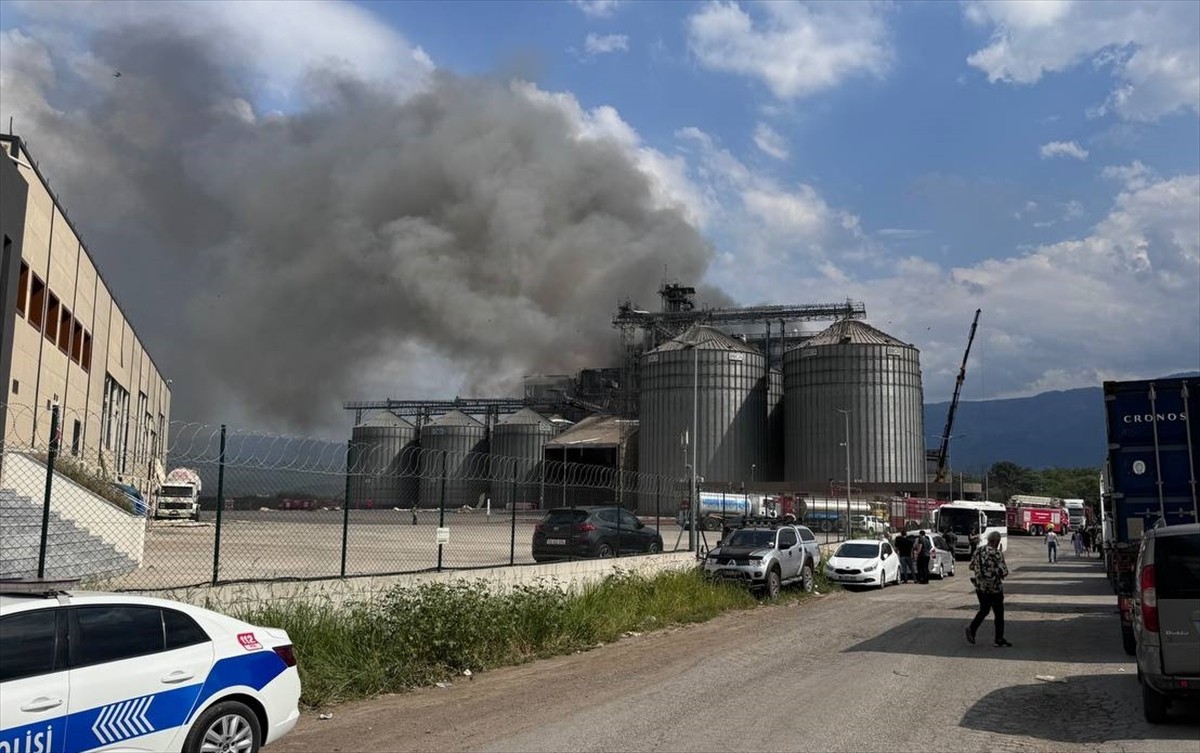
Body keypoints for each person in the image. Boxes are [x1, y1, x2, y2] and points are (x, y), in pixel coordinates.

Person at [965, 530, 1011, 647]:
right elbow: (1004, 572)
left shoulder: (978, 551)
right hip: (994, 588)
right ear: (996, 541)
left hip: (980, 587)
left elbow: (971, 566)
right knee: (999, 613)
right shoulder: (996, 553)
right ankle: (998, 638)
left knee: (984, 610)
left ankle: (972, 629)